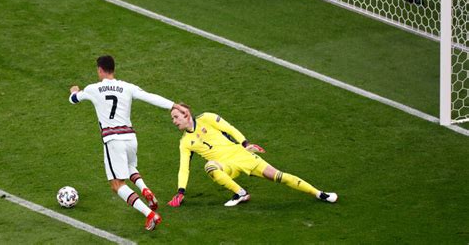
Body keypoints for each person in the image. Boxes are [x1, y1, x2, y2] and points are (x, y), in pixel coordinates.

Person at [69, 55, 188, 231]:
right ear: (113, 69)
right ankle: (146, 190)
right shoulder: (127, 87)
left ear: (100, 70)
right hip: (131, 138)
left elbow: (73, 100)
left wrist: (74, 91)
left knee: (117, 185)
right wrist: (174, 106)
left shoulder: (93, 89)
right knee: (131, 166)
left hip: (113, 140)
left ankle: (150, 214)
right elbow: (150, 97)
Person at [167, 105, 338, 207]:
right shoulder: (185, 142)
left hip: (241, 155)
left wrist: (246, 144)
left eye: (176, 117)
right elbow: (184, 168)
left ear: (186, 114)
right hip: (226, 166)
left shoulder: (207, 118)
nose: (174, 121)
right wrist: (180, 192)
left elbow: (230, 129)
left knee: (279, 176)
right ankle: (240, 193)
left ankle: (319, 193)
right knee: (210, 166)